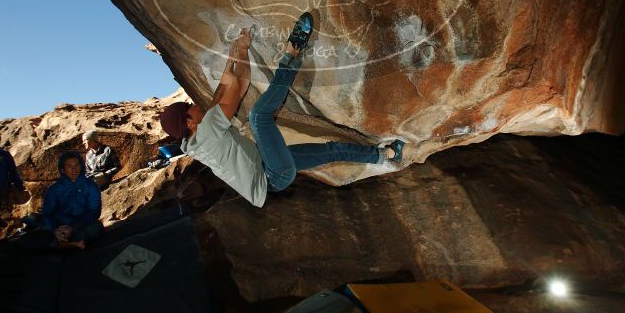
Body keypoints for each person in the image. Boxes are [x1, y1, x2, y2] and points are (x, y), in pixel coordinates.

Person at [159, 13, 404, 208]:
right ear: (190, 123)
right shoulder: (208, 130)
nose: (193, 105)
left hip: (271, 170)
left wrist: (236, 56)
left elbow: (222, 94)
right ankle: (292, 53)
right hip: (273, 174)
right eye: (189, 109)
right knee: (259, 116)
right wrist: (236, 55)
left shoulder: (195, 140)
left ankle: (387, 155)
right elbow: (236, 87)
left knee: (331, 151)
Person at [32, 151, 102, 250]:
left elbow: (94, 212)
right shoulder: (54, 189)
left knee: (96, 226)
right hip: (59, 226)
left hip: (81, 225)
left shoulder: (91, 186)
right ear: (63, 170)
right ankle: (70, 244)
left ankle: (61, 244)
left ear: (81, 166)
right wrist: (54, 230)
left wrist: (73, 228)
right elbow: (47, 213)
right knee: (34, 235)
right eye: (69, 166)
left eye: (77, 165)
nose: (74, 169)